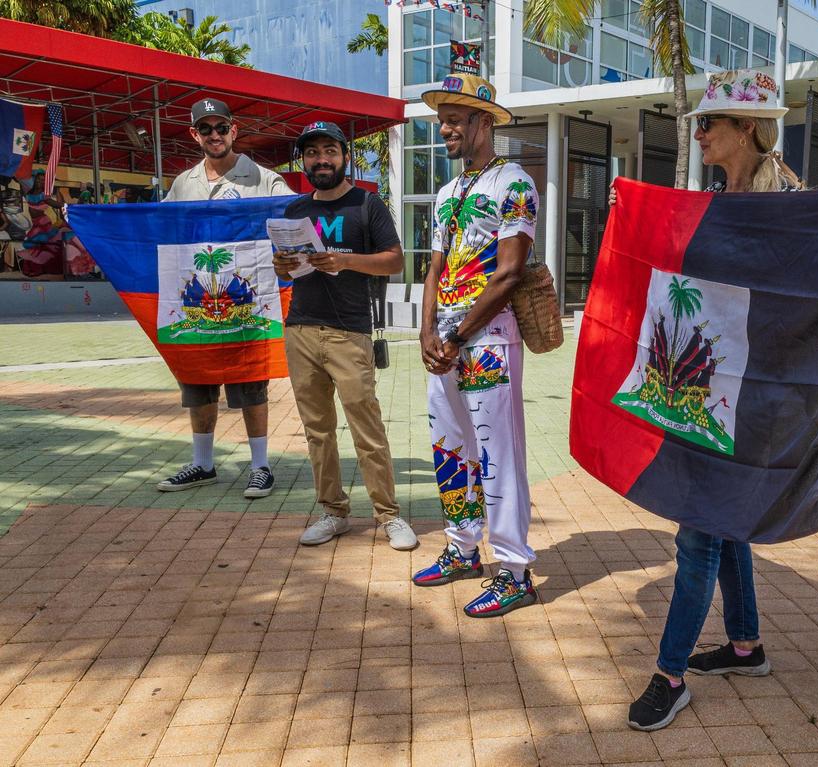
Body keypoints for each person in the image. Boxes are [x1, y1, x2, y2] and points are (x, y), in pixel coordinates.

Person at [609, 69, 818, 731]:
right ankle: (746, 645)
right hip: (706, 385)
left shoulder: (791, 203)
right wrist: (632, 211)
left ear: (747, 129)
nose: (700, 134)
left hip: (755, 397)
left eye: (709, 124)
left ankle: (670, 675)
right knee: (723, 517)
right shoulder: (714, 200)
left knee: (698, 526)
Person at [410, 73, 541, 618]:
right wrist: (426, 333)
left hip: (488, 342)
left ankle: (514, 572)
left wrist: (457, 336)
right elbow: (434, 268)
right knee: (450, 448)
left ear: (484, 122)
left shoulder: (515, 184)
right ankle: (463, 550)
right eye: (441, 121)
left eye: (454, 120)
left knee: (496, 455)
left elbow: (509, 273)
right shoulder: (447, 193)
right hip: (446, 344)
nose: (444, 130)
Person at [271, 121, 419, 552]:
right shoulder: (295, 211)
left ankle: (388, 514)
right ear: (304, 161)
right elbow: (287, 270)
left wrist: (345, 261)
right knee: (317, 430)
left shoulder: (367, 205)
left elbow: (394, 261)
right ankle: (333, 512)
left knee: (365, 426)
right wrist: (283, 267)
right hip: (300, 327)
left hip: (349, 332)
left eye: (329, 151)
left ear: (344, 157)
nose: (321, 160)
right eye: (312, 153)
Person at [159, 97, 293, 498]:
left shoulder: (264, 179)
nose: (214, 135)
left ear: (234, 130)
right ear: (194, 134)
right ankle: (203, 464)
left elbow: (292, 214)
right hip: (196, 302)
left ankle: (261, 466)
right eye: (206, 128)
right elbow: (159, 226)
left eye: (221, 128)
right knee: (197, 381)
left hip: (246, 301)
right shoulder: (184, 183)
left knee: (251, 383)